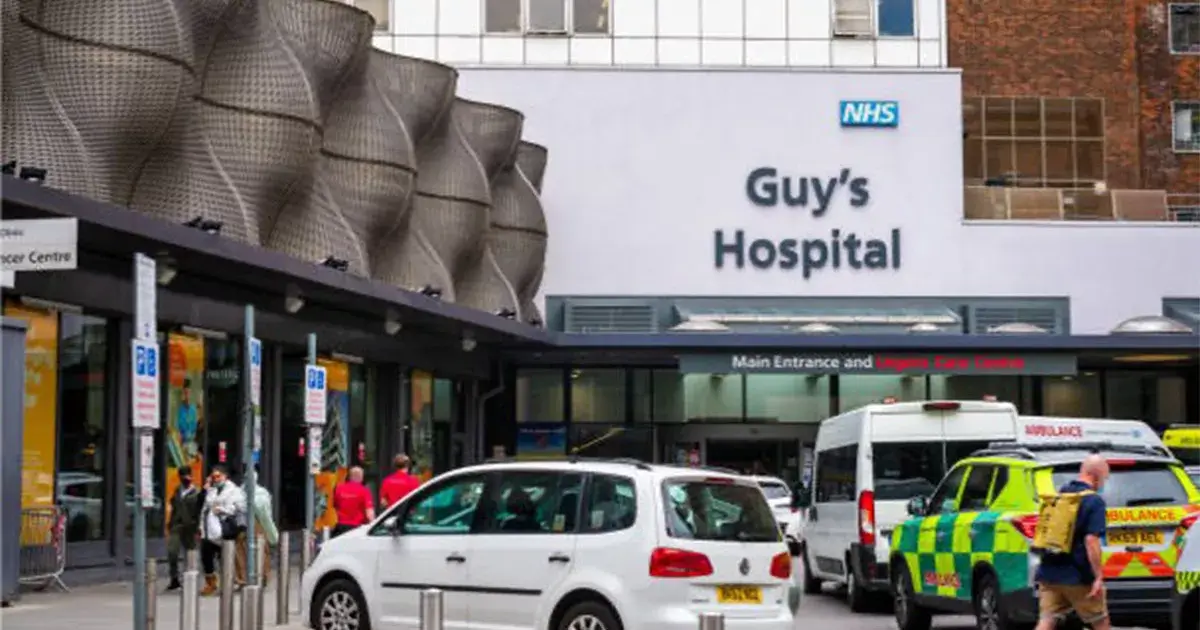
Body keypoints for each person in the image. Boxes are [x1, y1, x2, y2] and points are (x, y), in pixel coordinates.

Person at [1034, 454, 1111, 630]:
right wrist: (1098, 576)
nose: (1103, 483)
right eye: (1104, 478)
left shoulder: (1061, 495)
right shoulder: (1094, 501)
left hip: (1049, 572)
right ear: (1096, 476)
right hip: (1078, 576)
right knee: (1100, 622)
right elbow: (1091, 540)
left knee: (1046, 621)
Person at [199, 465, 246, 596]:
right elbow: (204, 509)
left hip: (226, 529)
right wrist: (201, 527)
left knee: (225, 557)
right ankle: (211, 583)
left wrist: (222, 509)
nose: (215, 479)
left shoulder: (234, 490)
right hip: (210, 530)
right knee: (206, 555)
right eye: (213, 476)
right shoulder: (211, 490)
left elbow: (240, 508)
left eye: (218, 476)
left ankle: (228, 583)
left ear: (225, 476)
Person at [235, 465, 279, 587]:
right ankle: (244, 578)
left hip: (257, 523)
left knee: (259, 549)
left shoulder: (261, 493)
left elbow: (264, 512)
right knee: (241, 550)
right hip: (243, 524)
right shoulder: (239, 491)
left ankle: (261, 576)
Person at [165, 465, 201, 591]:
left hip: (191, 526)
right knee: (172, 551)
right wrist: (170, 523)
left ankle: (190, 578)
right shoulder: (177, 491)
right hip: (177, 524)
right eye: (182, 476)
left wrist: (198, 527)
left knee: (190, 553)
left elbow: (199, 511)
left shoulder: (196, 493)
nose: (185, 479)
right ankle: (174, 578)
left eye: (187, 476)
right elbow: (173, 506)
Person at [331, 466, 375, 537]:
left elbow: (335, 506)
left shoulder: (339, 488)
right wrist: (374, 526)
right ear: (361, 477)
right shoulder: (364, 490)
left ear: (350, 477)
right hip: (357, 528)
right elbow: (369, 513)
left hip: (341, 527)